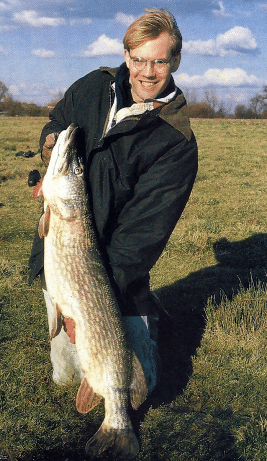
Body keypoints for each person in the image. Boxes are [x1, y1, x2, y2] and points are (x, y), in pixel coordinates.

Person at [29, 8, 198, 394]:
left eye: (159, 61)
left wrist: (89, 310)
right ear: (126, 57)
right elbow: (57, 122)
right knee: (69, 377)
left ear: (175, 61)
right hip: (63, 255)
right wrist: (50, 147)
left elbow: (140, 238)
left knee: (140, 389)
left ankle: (146, 315)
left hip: (119, 270)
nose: (147, 72)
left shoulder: (177, 142)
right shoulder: (93, 86)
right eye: (139, 60)